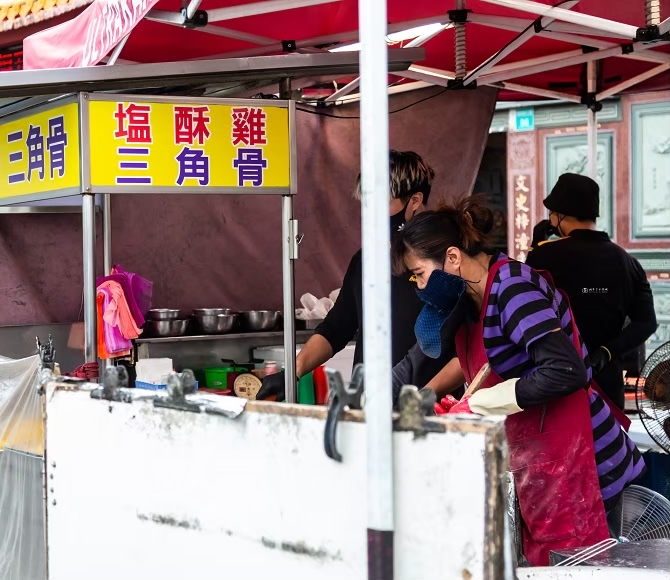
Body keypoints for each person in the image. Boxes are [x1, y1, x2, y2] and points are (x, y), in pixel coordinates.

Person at [393, 196, 644, 566]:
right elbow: (452, 362)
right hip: (536, 463)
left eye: (419, 273)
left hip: (584, 464)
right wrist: (407, 395)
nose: (417, 285)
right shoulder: (471, 298)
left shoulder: (513, 289)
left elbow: (566, 369)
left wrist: (487, 401)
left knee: (576, 567)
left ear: (451, 258)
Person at [257, 151, 456, 401]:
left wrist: (424, 397)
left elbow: (462, 347)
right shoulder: (365, 260)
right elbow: (338, 326)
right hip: (370, 400)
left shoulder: (445, 260)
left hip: (430, 406)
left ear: (415, 200)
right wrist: (293, 372)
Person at [527, 173, 657, 411]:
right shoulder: (628, 262)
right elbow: (647, 323)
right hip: (608, 387)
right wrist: (607, 352)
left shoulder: (544, 256)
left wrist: (535, 248)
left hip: (557, 386)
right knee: (611, 447)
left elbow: (526, 303)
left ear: (559, 215)